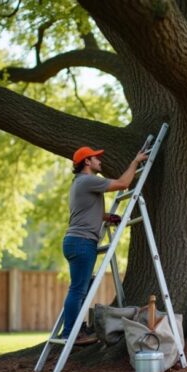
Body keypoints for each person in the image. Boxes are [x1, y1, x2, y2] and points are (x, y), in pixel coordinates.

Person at [60, 145, 148, 344]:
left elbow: (88, 212)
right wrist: (136, 161)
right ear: (87, 162)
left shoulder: (79, 184)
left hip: (75, 241)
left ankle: (73, 329)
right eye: (96, 158)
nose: (100, 161)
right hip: (82, 242)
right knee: (78, 290)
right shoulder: (88, 180)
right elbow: (124, 183)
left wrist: (106, 217)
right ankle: (70, 334)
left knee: (80, 287)